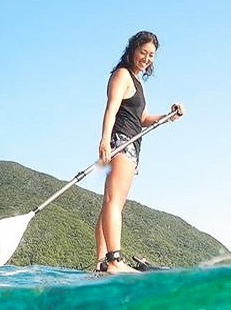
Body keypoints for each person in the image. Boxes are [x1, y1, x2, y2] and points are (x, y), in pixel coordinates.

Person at [95, 30, 184, 273]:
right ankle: (114, 261)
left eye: (151, 55)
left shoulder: (138, 82)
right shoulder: (122, 75)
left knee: (111, 203)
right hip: (121, 140)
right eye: (143, 52)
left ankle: (102, 262)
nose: (146, 58)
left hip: (132, 144)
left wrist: (168, 116)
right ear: (133, 50)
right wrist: (104, 141)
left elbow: (142, 117)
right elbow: (111, 108)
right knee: (114, 202)